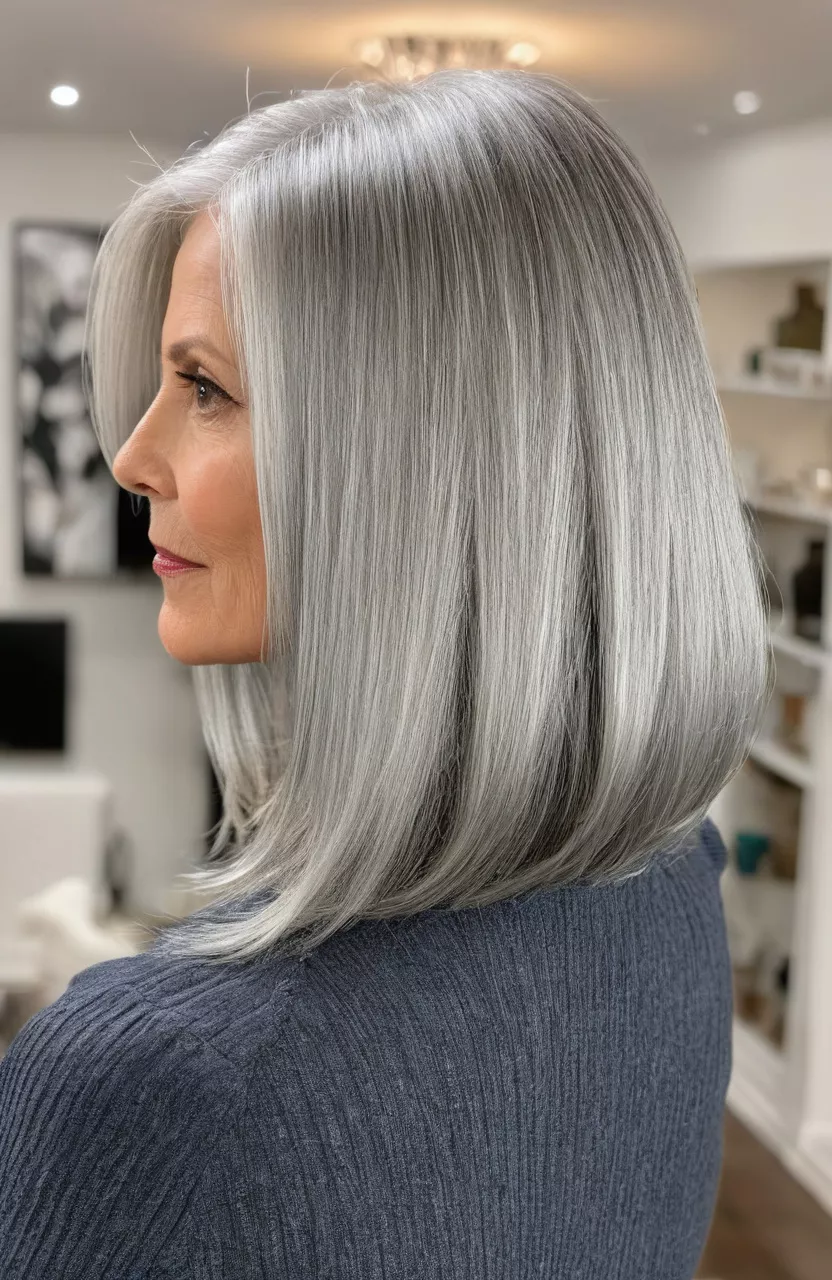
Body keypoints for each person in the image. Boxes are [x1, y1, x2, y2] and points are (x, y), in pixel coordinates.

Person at [0, 68, 773, 1278]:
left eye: (203, 386)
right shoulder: (671, 884)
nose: (131, 452)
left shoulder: (162, 1087)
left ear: (413, 474)